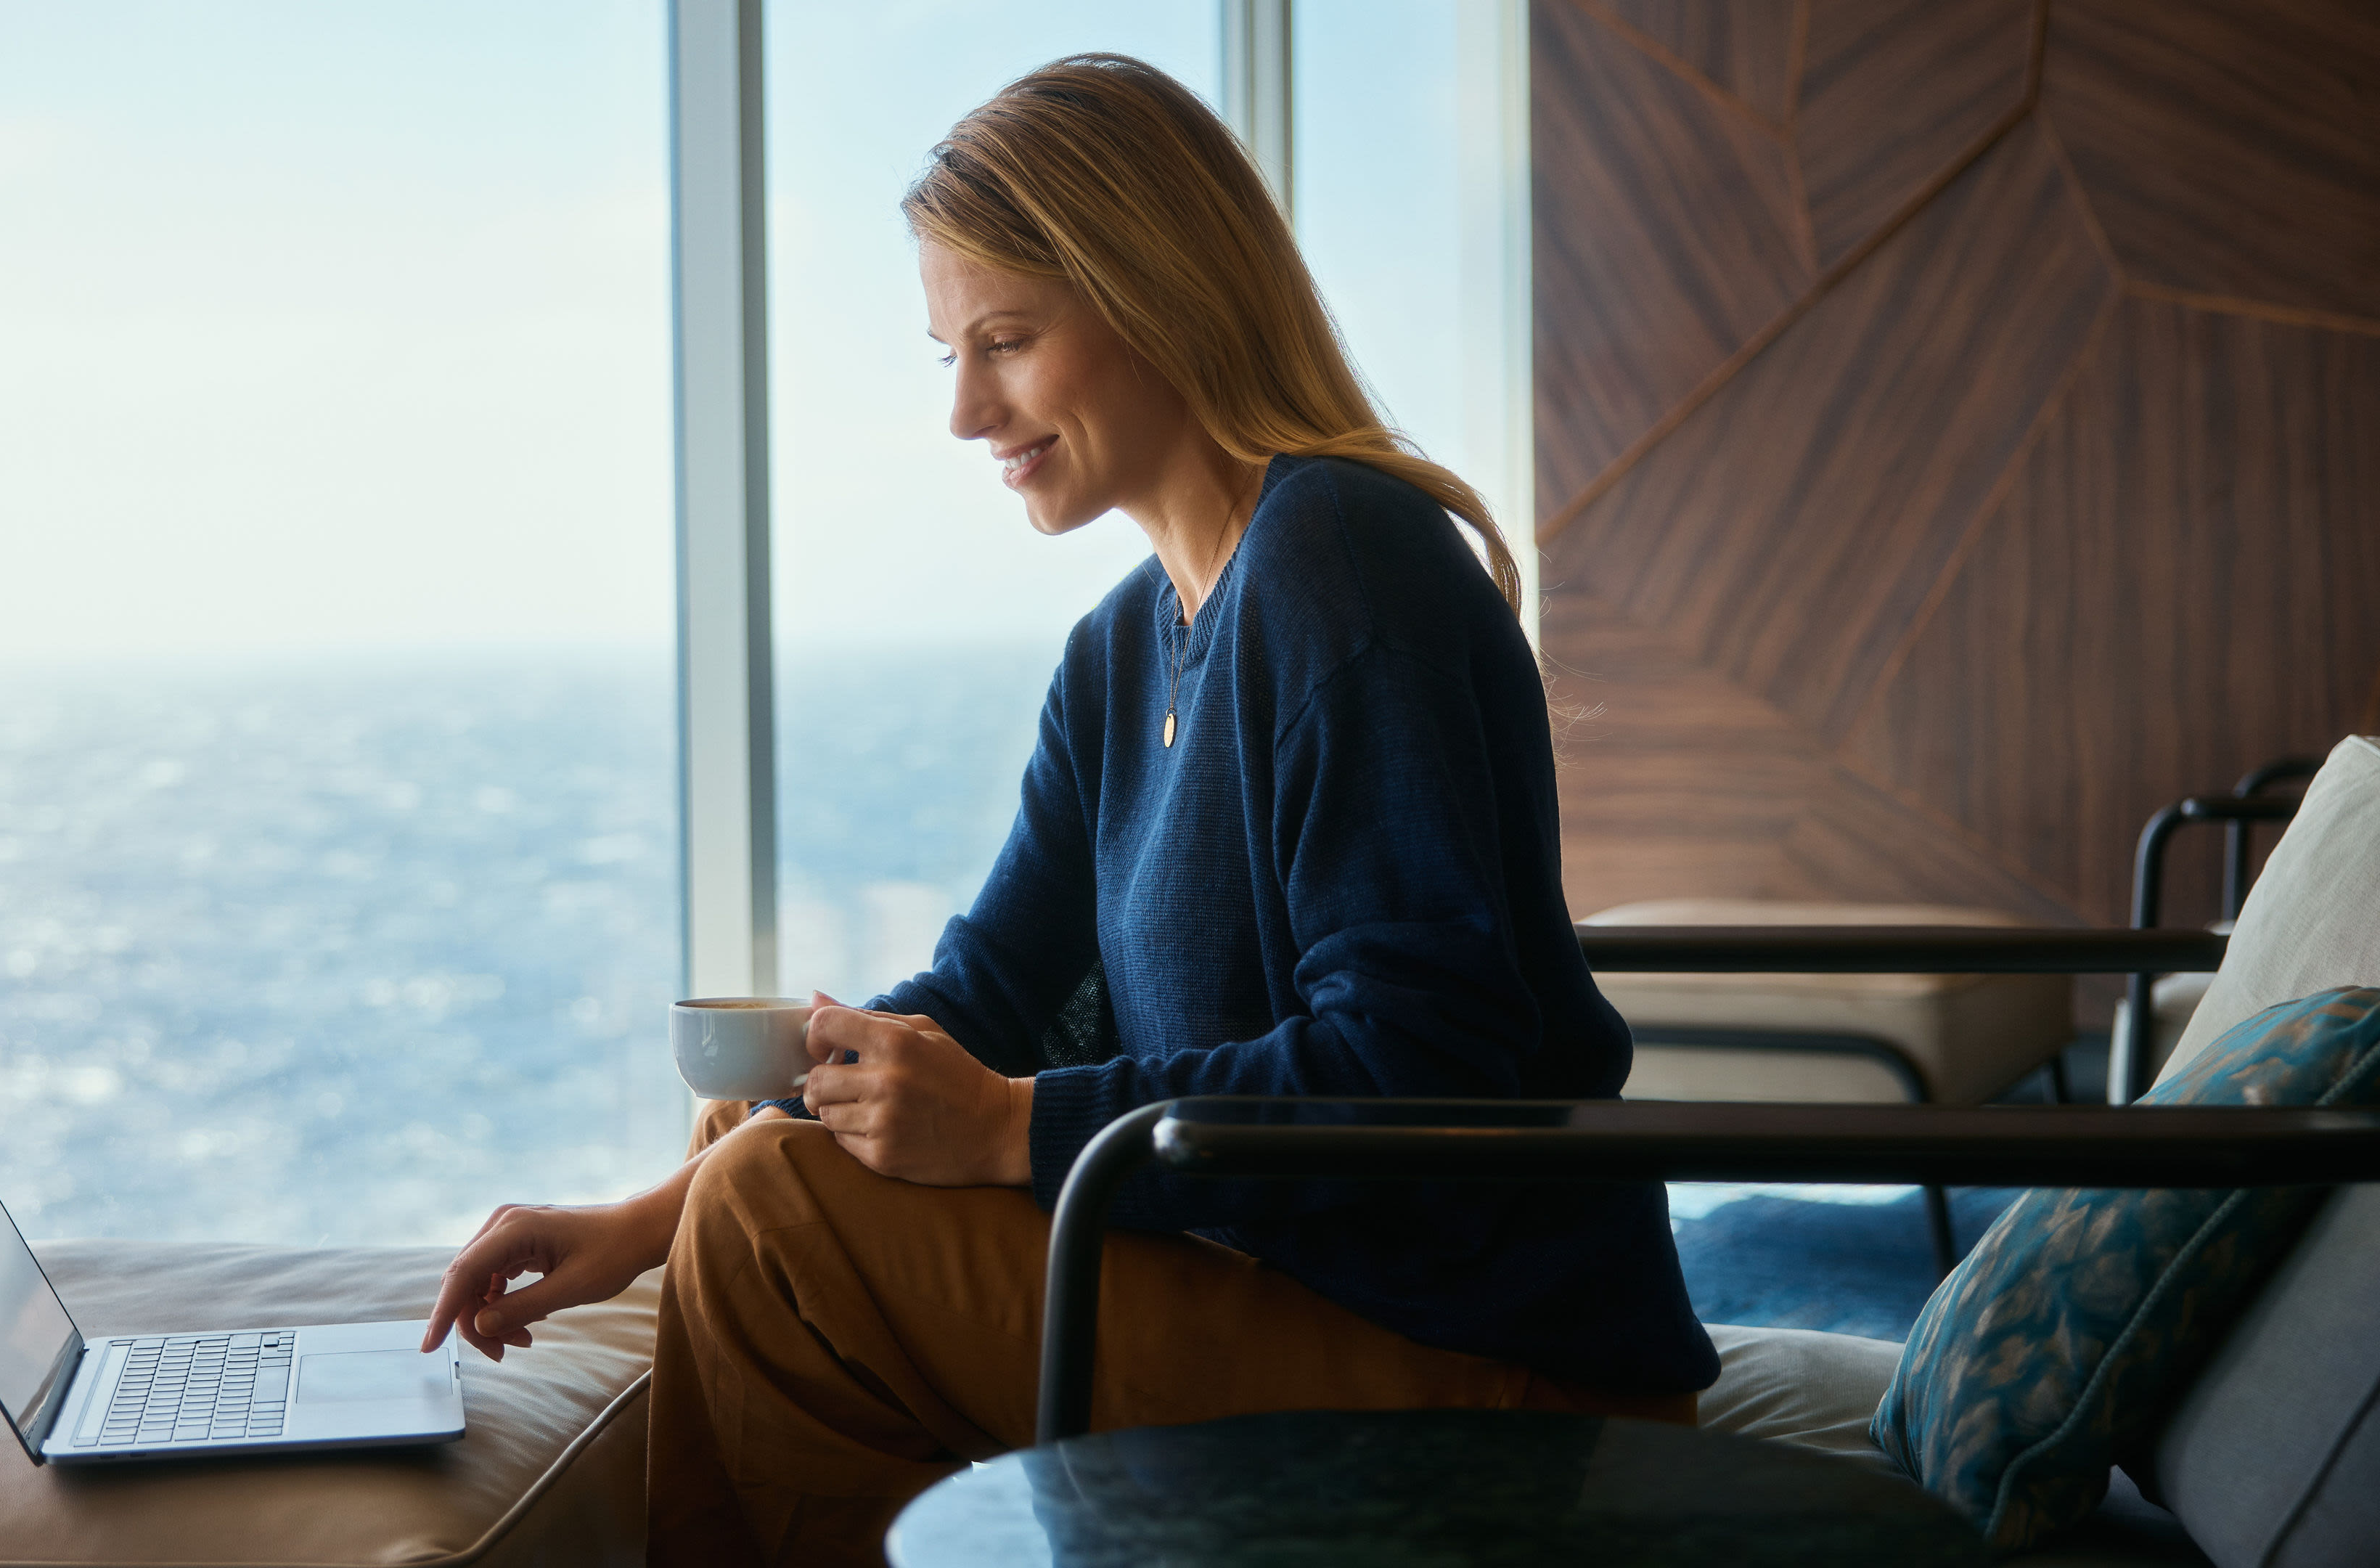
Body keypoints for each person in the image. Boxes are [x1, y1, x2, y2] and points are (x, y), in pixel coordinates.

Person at [425, 52, 1716, 1565]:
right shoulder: (1119, 649)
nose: (967, 410)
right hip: (1299, 1297)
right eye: (948, 353)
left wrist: (1012, 1128)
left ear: (1156, 292)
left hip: (1500, 1373)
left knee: (781, 1204)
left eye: (1008, 341)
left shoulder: (1345, 565)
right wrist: (640, 1220)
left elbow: (1415, 1073)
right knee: (759, 1134)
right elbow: (984, 995)